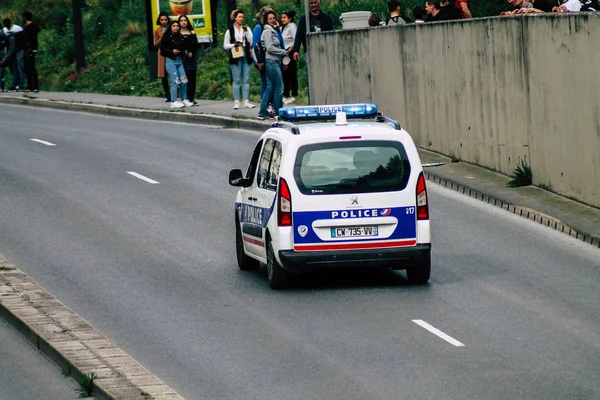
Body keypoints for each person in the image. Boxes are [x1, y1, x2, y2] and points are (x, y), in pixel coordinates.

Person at [257, 10, 288, 121]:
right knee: (279, 86)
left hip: (273, 61)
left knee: (270, 87)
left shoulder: (273, 30)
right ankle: (279, 112)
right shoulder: (267, 32)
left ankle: (262, 112)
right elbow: (270, 48)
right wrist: (283, 52)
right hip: (271, 61)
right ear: (266, 20)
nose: (272, 20)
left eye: (274, 18)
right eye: (270, 18)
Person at [223, 9, 255, 110]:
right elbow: (225, 45)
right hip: (236, 54)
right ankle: (236, 101)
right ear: (235, 18)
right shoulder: (230, 30)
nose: (241, 19)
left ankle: (246, 101)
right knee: (236, 79)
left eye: (242, 17)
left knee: (246, 79)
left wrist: (247, 32)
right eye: (239, 17)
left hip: (246, 53)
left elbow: (251, 41)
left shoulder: (246, 29)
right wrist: (234, 45)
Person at [160, 20, 193, 109]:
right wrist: (171, 51)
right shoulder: (166, 37)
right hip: (170, 61)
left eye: (177, 26)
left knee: (184, 79)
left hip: (179, 61)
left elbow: (184, 48)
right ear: (170, 27)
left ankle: (184, 98)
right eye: (174, 26)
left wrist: (185, 54)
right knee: (175, 81)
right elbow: (162, 51)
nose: (176, 27)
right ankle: (173, 101)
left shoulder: (180, 37)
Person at [252, 6, 275, 102]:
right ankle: (264, 106)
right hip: (263, 60)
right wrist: (257, 62)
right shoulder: (259, 28)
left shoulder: (274, 28)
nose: (273, 19)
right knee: (266, 83)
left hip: (273, 59)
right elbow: (255, 46)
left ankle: (272, 104)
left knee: (273, 84)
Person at [178, 15, 199, 106]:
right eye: (181, 20)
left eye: (185, 20)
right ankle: (184, 98)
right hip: (182, 59)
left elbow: (196, 46)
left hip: (191, 59)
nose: (183, 22)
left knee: (192, 79)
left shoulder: (192, 33)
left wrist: (192, 52)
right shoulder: (178, 34)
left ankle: (191, 98)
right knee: (184, 79)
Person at [280, 10, 298, 104]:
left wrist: (290, 51)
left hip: (290, 52)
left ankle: (294, 94)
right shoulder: (283, 28)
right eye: (282, 17)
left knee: (292, 74)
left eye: (284, 17)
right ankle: (285, 94)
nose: (282, 19)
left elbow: (295, 40)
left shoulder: (292, 26)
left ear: (289, 18)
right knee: (285, 75)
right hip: (283, 52)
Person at [3, 18, 25, 91]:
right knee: (14, 69)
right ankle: (14, 84)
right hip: (11, 53)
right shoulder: (5, 30)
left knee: (20, 68)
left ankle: (21, 84)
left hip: (18, 51)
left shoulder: (18, 28)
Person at [154, 11, 171, 102]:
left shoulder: (171, 28)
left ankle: (174, 93)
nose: (164, 21)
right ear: (159, 21)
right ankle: (167, 95)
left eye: (165, 20)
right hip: (162, 53)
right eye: (162, 20)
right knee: (163, 75)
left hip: (171, 52)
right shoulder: (157, 30)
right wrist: (161, 38)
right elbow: (156, 44)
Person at [22, 11, 40, 92]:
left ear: (25, 18)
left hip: (28, 48)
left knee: (28, 68)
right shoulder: (35, 26)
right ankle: (35, 86)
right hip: (33, 48)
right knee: (32, 68)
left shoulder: (28, 27)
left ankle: (30, 86)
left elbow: (27, 39)